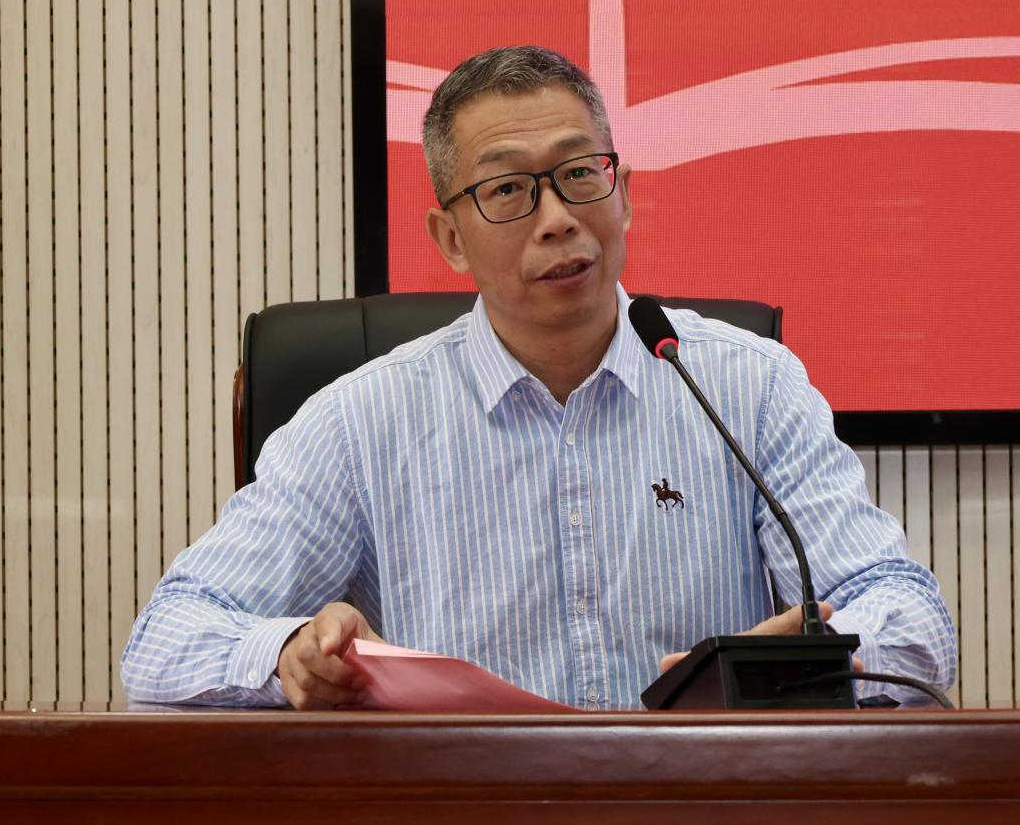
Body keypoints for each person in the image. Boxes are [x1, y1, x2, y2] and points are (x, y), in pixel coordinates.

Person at [121, 46, 957, 710]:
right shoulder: (360, 422)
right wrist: (288, 655)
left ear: (623, 194)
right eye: (509, 190)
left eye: (579, 174)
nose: (557, 218)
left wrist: (811, 662)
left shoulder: (749, 387)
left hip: (699, 800)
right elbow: (162, 643)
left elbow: (909, 612)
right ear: (450, 238)